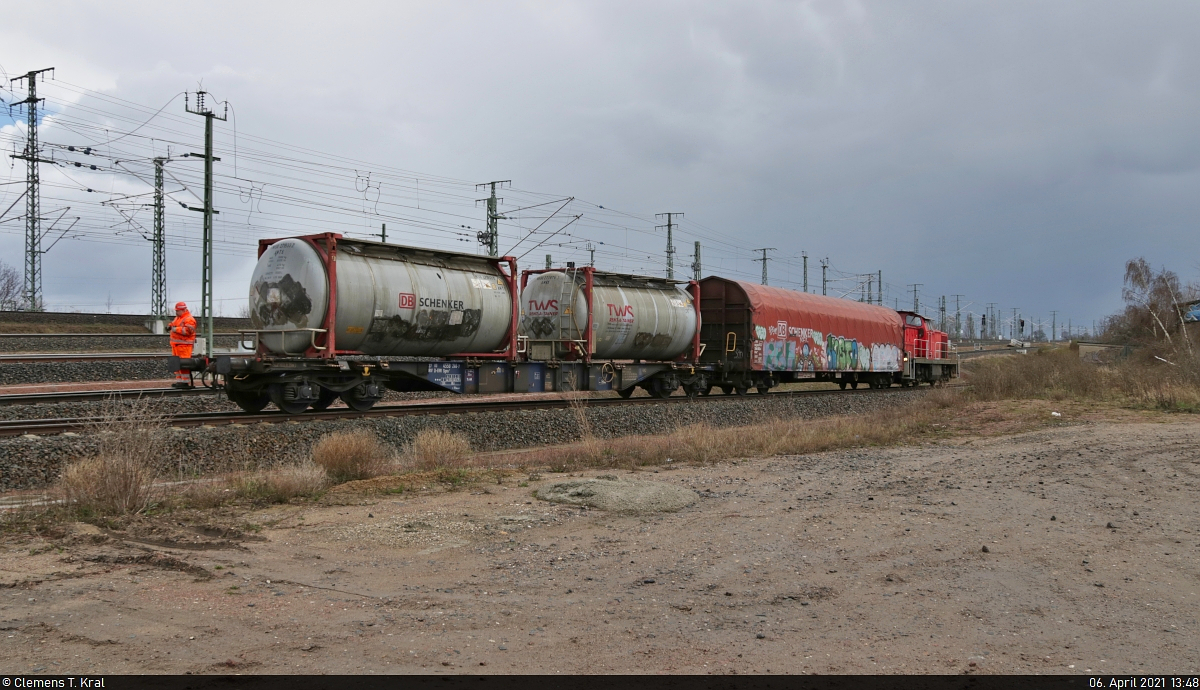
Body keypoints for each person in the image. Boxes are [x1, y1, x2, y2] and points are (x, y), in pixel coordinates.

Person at [169, 301, 197, 388]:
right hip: (176, 345)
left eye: (178, 311)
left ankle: (185, 382)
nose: (176, 312)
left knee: (184, 364)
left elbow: (188, 331)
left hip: (184, 346)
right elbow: (174, 325)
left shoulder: (189, 319)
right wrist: (170, 326)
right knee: (177, 364)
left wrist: (175, 329)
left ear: (183, 310)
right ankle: (179, 381)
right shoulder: (178, 318)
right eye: (176, 311)